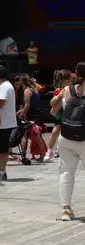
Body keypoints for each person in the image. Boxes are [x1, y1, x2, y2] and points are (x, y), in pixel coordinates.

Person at [51, 62, 85, 221]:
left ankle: (65, 210)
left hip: (66, 137)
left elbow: (53, 112)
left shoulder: (67, 90)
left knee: (65, 171)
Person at [46, 69, 73, 160]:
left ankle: (62, 150)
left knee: (66, 134)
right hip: (60, 114)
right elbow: (51, 103)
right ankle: (49, 150)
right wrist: (58, 96)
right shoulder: (59, 90)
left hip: (70, 115)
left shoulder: (73, 90)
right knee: (55, 131)